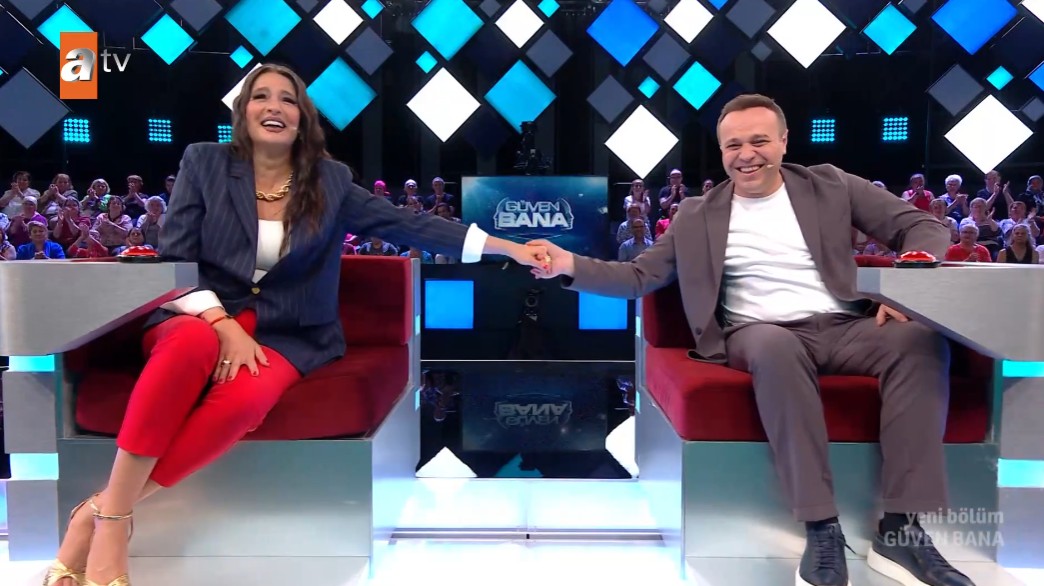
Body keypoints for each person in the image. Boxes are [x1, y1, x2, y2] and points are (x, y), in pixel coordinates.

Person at [46, 63, 548, 586]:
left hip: (289, 332)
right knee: (187, 346)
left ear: (302, 118)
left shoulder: (331, 181)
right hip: (198, 312)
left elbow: (412, 225)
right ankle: (112, 529)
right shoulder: (205, 162)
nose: (275, 107)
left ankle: (102, 512)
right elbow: (177, 258)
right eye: (261, 96)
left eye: (288, 100)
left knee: (244, 400)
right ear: (244, 111)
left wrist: (509, 247)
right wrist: (223, 324)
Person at [528, 94, 974, 586]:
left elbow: (921, 225)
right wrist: (568, 264)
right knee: (776, 348)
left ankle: (902, 530)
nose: (746, 154)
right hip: (756, 332)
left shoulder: (830, 183)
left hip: (844, 325)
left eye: (759, 141)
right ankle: (821, 527)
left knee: (920, 342)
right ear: (722, 152)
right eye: (733, 145)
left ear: (783, 142)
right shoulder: (696, 214)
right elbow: (638, 276)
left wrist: (905, 288)